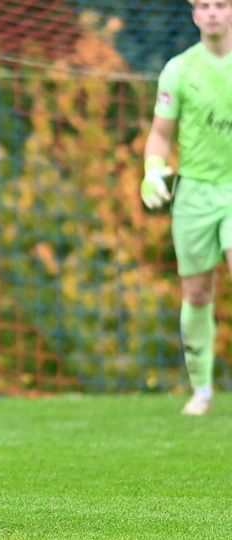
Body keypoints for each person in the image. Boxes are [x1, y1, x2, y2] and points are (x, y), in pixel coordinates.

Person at [141, 0, 232, 416]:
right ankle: (202, 391)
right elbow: (161, 134)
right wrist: (153, 169)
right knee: (197, 292)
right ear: (195, 14)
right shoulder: (179, 69)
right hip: (194, 192)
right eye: (205, 5)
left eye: (222, 4)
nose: (213, 12)